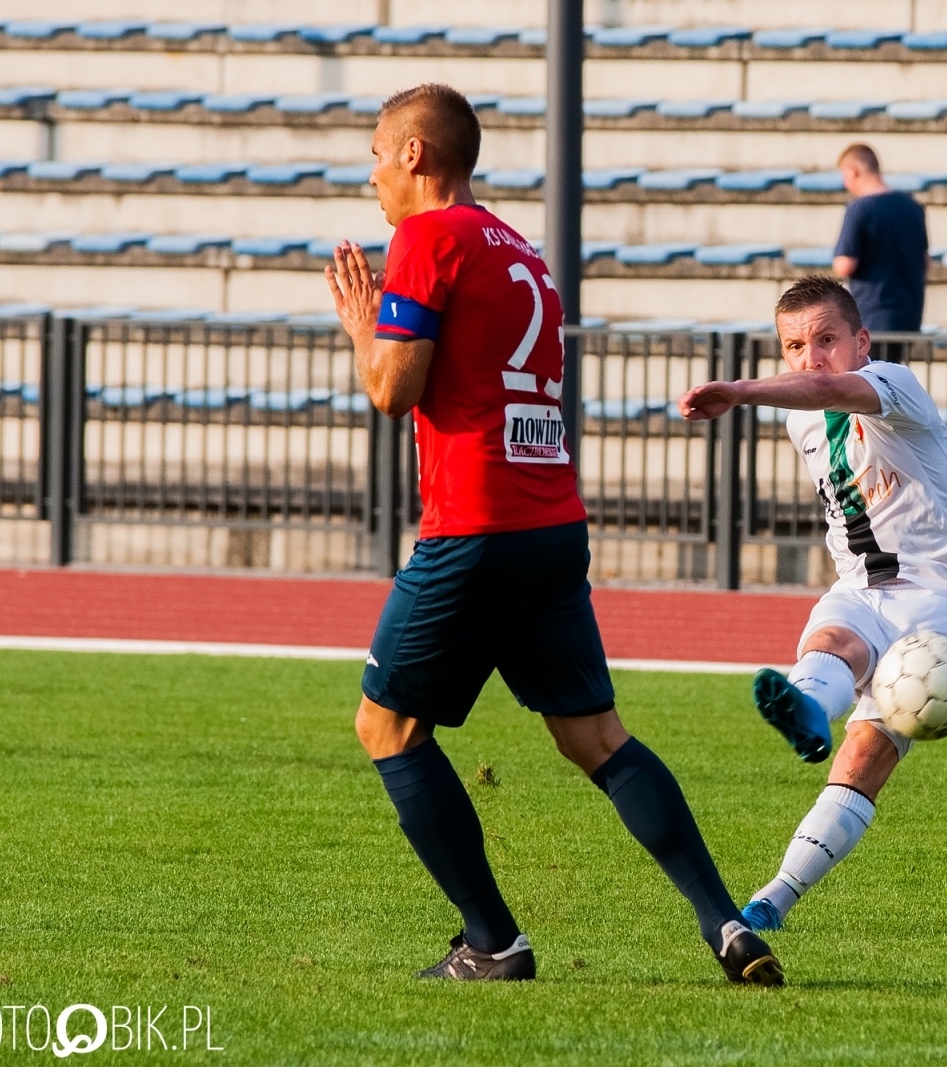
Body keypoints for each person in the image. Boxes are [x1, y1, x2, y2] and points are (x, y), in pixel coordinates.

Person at [324, 82, 782, 986]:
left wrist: (361, 327)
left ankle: (492, 941)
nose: (371, 174)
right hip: (551, 523)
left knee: (386, 724)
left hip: (475, 523)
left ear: (415, 154)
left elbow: (392, 389)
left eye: (377, 154)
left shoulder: (427, 236)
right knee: (595, 736)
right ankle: (726, 921)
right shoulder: (520, 250)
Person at [676, 274, 947, 931]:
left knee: (863, 756)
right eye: (795, 346)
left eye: (826, 340)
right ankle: (806, 712)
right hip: (859, 587)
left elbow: (827, 389)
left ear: (862, 342)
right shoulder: (800, 419)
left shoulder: (894, 385)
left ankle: (774, 897)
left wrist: (738, 391)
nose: (811, 358)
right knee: (830, 645)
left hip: (942, 595)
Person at [831, 143, 930, 334]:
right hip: (910, 314)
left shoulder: (859, 209)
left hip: (872, 314)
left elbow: (844, 264)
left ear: (853, 172)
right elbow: (925, 261)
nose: (845, 184)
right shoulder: (912, 206)